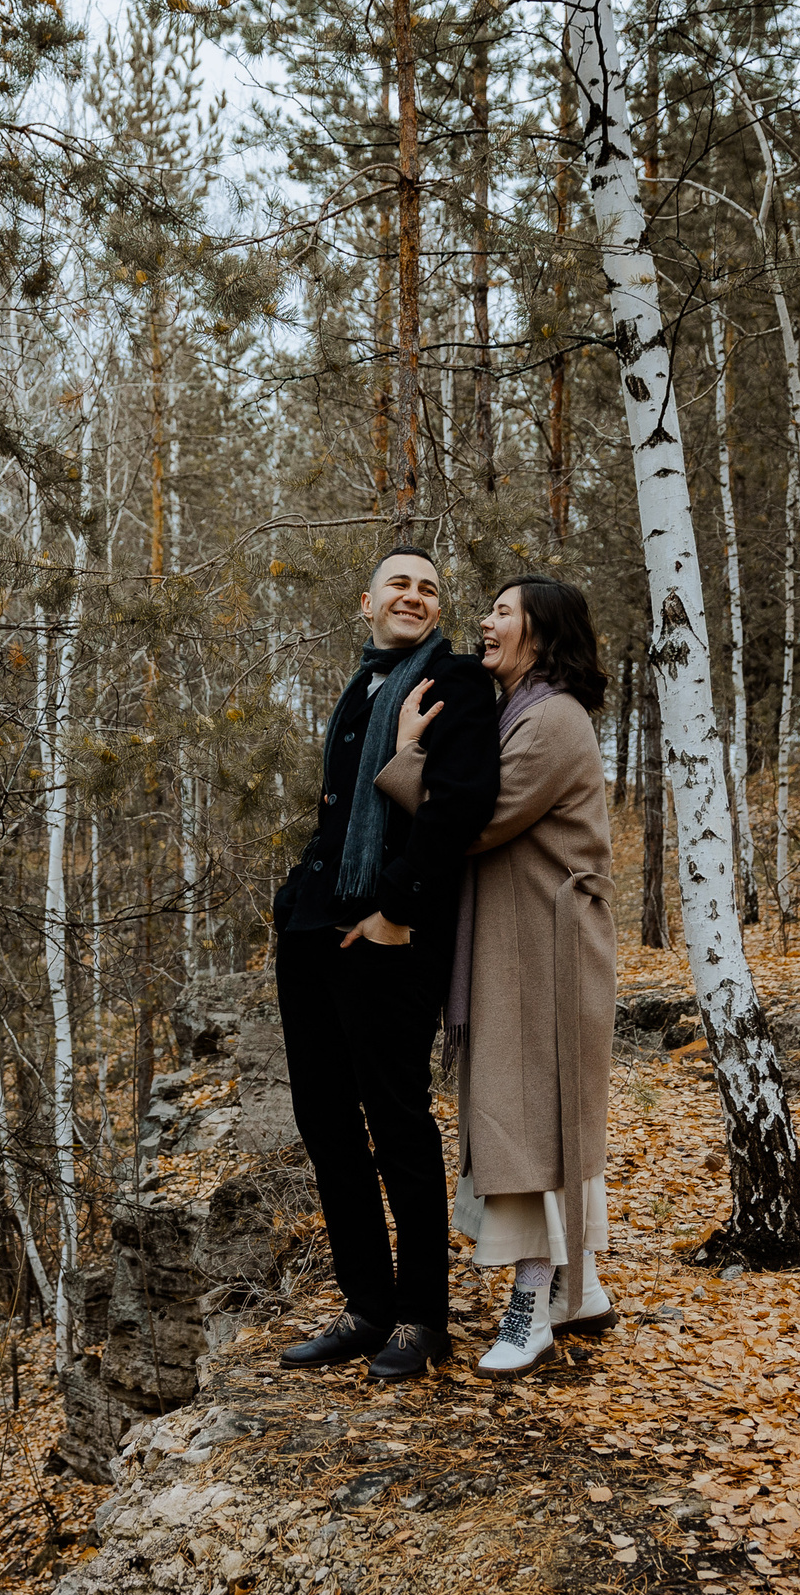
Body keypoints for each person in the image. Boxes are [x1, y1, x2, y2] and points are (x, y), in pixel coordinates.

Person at [373, 575, 616, 1377]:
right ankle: (577, 1292)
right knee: (543, 1118)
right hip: (523, 945)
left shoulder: (550, 718)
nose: (485, 622)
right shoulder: (527, 709)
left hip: (542, 954)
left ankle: (529, 1309)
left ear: (540, 635)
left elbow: (475, 821)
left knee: (522, 1122)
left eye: (503, 612)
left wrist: (407, 754)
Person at [271, 547, 501, 1381]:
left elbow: (462, 811)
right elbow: (340, 810)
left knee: (397, 1123)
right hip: (312, 931)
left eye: (429, 589)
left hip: (388, 938)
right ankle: (366, 1307)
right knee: (326, 1123)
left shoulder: (459, 684)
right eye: (400, 584)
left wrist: (395, 908)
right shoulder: (363, 683)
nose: (416, 596)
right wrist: (300, 890)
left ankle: (421, 1318)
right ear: (365, 601)